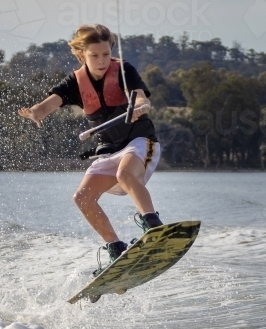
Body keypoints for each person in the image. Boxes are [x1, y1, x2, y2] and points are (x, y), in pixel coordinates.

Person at [19, 24, 163, 270]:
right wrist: (34, 113)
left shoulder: (123, 70)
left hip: (139, 144)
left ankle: (154, 226)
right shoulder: (75, 82)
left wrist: (141, 105)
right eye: (94, 55)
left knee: (125, 174)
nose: (101, 61)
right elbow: (48, 105)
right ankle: (116, 248)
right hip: (108, 151)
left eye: (106, 54)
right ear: (81, 55)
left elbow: (140, 96)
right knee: (82, 197)